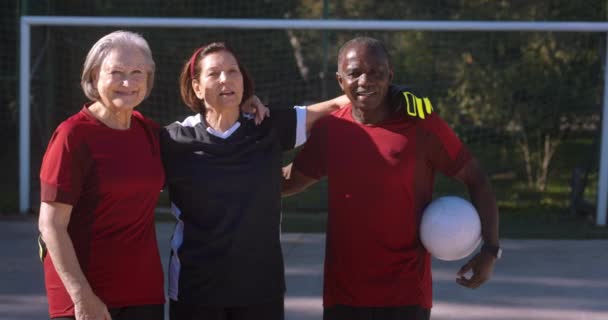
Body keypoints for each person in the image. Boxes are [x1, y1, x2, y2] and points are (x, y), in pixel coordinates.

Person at [36, 31, 267, 320]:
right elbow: (51, 225)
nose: (127, 83)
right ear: (95, 76)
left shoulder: (153, 134)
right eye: (116, 73)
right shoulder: (73, 136)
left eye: (137, 73)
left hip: (143, 295)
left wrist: (238, 102)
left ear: (148, 79)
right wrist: (81, 295)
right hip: (85, 298)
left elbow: (210, 157)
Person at [282, 36, 500, 320]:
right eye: (355, 73)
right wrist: (237, 153)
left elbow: (477, 178)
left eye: (376, 72)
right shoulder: (331, 129)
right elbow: (288, 181)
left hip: (407, 294)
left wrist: (490, 249)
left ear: (390, 76)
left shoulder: (421, 123)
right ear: (339, 80)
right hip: (343, 295)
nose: (365, 80)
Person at [160, 42, 349, 320]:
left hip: (261, 289)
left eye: (232, 71)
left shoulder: (267, 124)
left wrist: (402, 99)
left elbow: (336, 106)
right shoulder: (172, 140)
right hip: (196, 290)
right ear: (197, 87)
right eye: (214, 73)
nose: (226, 79)